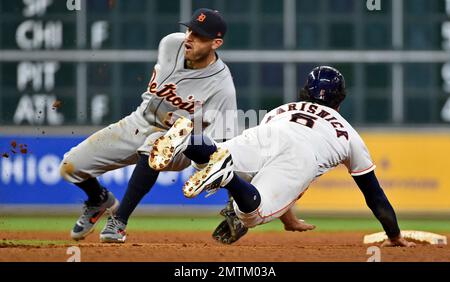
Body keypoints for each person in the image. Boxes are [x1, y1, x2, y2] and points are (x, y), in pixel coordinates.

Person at [149, 66, 415, 247]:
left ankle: (189, 139)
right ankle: (226, 177)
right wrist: (394, 234)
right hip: (300, 156)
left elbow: (260, 171)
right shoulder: (348, 134)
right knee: (251, 215)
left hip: (269, 131)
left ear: (305, 93)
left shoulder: (282, 109)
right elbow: (374, 196)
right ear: (340, 100)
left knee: (214, 155)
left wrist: (288, 218)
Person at [60, 8, 240, 243]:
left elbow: (227, 142)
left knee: (156, 145)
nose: (190, 38)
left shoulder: (222, 86)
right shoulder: (170, 43)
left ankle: (119, 221)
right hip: (139, 121)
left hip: (181, 141)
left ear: (216, 43)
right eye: (190, 30)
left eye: (199, 35)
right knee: (70, 166)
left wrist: (236, 199)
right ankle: (98, 200)